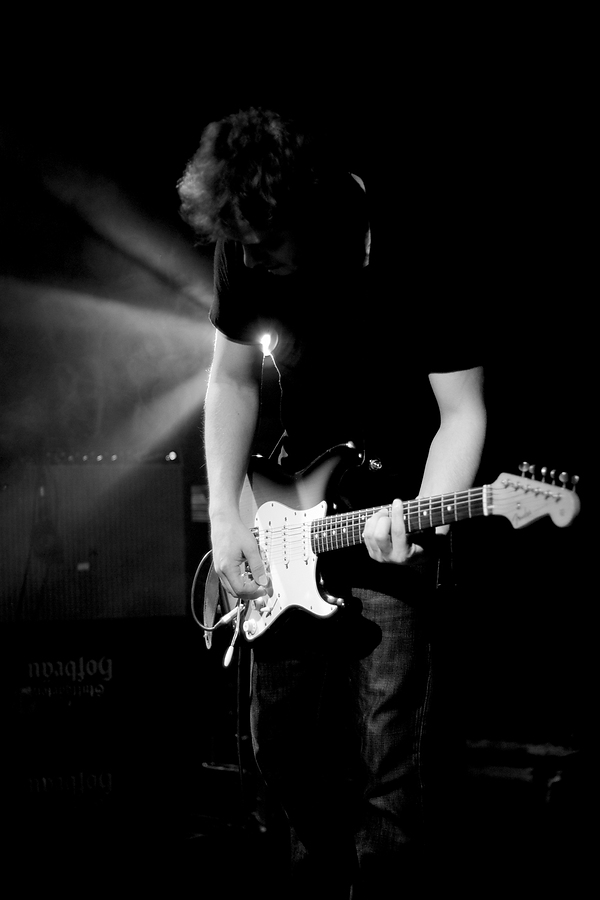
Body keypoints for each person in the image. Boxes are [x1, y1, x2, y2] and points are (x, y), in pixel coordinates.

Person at [178, 107, 486, 898]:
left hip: (392, 522)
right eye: (239, 246)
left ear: (309, 212)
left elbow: (463, 414)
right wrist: (225, 514)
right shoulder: (245, 244)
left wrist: (429, 514)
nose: (251, 261)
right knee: (279, 752)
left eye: (266, 246)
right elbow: (231, 377)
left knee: (388, 769)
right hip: (291, 523)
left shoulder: (415, 242)